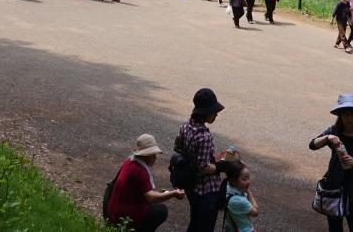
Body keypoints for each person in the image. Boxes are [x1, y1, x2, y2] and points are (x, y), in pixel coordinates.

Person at [309, 94, 353, 232]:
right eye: (345, 113)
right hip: (334, 190)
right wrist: (327, 137)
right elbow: (312, 145)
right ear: (340, 115)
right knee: (335, 229)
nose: (349, 118)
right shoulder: (334, 132)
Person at [177, 88, 233, 232]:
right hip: (206, 190)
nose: (216, 114)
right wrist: (224, 166)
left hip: (191, 186)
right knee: (205, 227)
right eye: (213, 111)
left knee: (195, 222)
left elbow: (177, 148)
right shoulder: (204, 136)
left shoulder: (185, 126)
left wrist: (200, 157)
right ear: (205, 112)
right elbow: (204, 168)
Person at [105, 134, 185, 231]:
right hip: (123, 217)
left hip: (112, 211)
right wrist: (173, 194)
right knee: (161, 211)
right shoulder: (140, 171)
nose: (155, 157)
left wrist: (161, 194)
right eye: (153, 154)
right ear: (146, 155)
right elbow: (151, 197)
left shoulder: (129, 161)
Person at [217, 159, 259, 232]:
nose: (248, 182)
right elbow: (255, 212)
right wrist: (249, 192)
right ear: (233, 181)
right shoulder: (239, 201)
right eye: (244, 179)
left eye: (248, 178)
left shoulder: (227, 190)